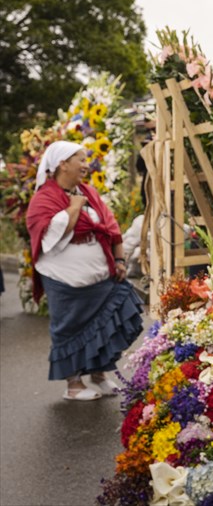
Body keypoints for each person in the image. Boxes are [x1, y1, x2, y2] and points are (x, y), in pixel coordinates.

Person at [26, 141, 144, 401]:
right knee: (69, 331)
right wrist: (75, 206)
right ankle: (74, 385)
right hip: (64, 281)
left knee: (105, 324)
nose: (86, 165)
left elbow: (111, 227)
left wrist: (119, 260)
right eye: (80, 159)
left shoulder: (89, 192)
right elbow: (50, 234)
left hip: (100, 278)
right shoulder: (43, 199)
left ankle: (99, 376)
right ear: (62, 164)